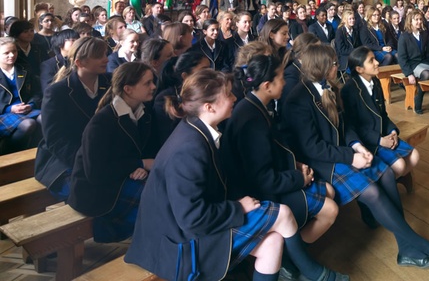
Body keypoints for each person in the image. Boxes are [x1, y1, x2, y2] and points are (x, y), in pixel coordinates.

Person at [126, 70, 344, 281]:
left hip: (186, 228)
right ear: (209, 107)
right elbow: (192, 219)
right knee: (282, 213)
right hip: (178, 243)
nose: (234, 98)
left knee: (273, 242)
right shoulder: (189, 149)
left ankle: (309, 271)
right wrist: (238, 207)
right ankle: (314, 273)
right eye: (228, 94)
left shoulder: (197, 130)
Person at [283, 43, 429, 269]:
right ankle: (416, 243)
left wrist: (357, 146)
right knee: (372, 191)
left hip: (342, 153)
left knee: (384, 173)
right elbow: (312, 148)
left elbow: (345, 127)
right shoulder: (298, 99)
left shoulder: (331, 87)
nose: (338, 67)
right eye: (335, 64)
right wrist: (350, 156)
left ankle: (405, 248)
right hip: (325, 164)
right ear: (323, 68)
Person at [223, 56, 346, 281]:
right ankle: (294, 257)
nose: (285, 82)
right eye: (280, 78)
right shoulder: (250, 119)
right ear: (266, 85)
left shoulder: (256, 105)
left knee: (329, 190)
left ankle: (293, 252)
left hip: (271, 179)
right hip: (257, 194)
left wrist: (296, 165)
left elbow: (272, 151)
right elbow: (263, 180)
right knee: (331, 209)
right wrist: (300, 179)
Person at [68, 62, 158, 242]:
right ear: (128, 89)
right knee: (154, 197)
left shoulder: (144, 113)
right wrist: (139, 164)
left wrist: (140, 166)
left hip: (124, 177)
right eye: (147, 83)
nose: (153, 87)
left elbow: (142, 151)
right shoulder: (102, 122)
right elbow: (95, 172)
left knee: (161, 188)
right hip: (96, 190)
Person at [35, 37, 110, 198]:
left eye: (105, 54)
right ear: (80, 62)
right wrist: (87, 162)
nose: (106, 59)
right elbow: (55, 140)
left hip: (103, 155)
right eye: (99, 56)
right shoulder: (57, 92)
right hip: (64, 159)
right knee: (92, 196)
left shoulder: (110, 83)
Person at [342, 47, 420, 181]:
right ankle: (385, 182)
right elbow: (353, 127)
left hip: (383, 132)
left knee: (415, 156)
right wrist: (379, 140)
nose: (377, 62)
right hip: (367, 140)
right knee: (400, 166)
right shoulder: (349, 90)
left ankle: (390, 180)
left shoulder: (376, 82)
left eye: (375, 59)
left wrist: (393, 132)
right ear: (359, 69)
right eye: (371, 61)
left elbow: (383, 114)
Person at [0, 37, 42, 153]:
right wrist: (9, 108)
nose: (12, 55)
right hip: (4, 113)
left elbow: (37, 92)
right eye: (6, 53)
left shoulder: (24, 69)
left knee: (45, 118)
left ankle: (35, 154)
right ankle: (9, 154)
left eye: (14, 51)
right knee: (28, 124)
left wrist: (32, 105)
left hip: (26, 108)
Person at [396, 9, 429, 116]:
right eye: (416, 19)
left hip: (424, 62)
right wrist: (409, 74)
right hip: (412, 65)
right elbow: (402, 58)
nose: (419, 22)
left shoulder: (424, 33)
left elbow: (428, 53)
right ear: (410, 21)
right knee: (426, 74)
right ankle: (419, 98)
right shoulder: (404, 37)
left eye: (420, 19)